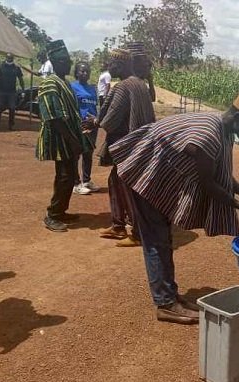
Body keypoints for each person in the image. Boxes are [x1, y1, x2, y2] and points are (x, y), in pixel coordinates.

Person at [109, 93, 239, 324]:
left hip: (159, 177)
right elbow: (209, 185)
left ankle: (169, 294)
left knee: (162, 237)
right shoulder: (209, 135)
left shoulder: (223, 130)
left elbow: (219, 174)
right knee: (156, 240)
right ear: (238, 118)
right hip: (145, 174)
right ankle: (166, 304)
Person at [84, 48, 155, 247]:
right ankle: (118, 226)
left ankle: (139, 232)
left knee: (127, 187)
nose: (109, 66)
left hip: (127, 146)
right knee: (116, 182)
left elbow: (112, 119)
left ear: (122, 65)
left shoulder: (124, 86)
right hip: (136, 144)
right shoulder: (139, 84)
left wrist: (95, 122)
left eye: (113, 64)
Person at [36, 40, 93, 232]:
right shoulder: (50, 83)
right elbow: (55, 118)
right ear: (57, 62)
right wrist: (73, 141)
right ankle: (52, 214)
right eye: (65, 61)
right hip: (60, 138)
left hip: (69, 138)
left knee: (68, 176)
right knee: (64, 176)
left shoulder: (64, 82)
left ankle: (61, 211)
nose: (69, 64)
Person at [70, 61, 100, 195]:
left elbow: (95, 106)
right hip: (80, 125)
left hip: (92, 126)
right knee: (76, 153)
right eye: (82, 71)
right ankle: (75, 183)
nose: (85, 73)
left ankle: (86, 180)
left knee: (88, 153)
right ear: (76, 73)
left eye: (87, 71)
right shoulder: (72, 87)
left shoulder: (93, 88)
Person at [0, 53, 24, 130]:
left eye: (11, 58)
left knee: (12, 108)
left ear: (13, 58)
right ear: (6, 58)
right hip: (1, 90)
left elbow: (20, 79)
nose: (9, 59)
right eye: (8, 58)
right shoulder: (0, 65)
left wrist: (23, 89)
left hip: (12, 91)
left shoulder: (16, 68)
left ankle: (11, 125)